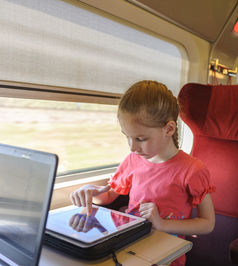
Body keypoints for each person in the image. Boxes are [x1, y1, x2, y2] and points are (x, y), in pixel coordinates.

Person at [70, 80, 215, 266]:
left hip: (166, 257)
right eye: (127, 137)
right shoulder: (132, 160)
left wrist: (162, 224)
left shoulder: (192, 170)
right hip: (130, 249)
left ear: (169, 129)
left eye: (140, 138)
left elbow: (207, 223)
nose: (132, 147)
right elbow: (108, 196)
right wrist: (91, 193)